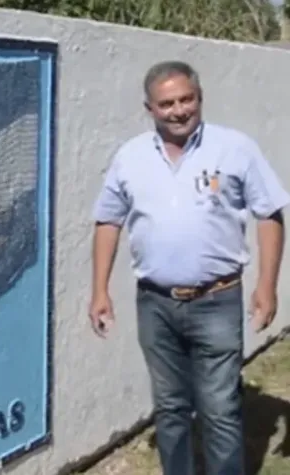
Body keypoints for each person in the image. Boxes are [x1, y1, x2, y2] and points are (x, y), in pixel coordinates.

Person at [89, 60, 289, 475]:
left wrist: (267, 286)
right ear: (150, 108)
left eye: (187, 100)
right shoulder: (130, 157)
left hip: (217, 300)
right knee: (171, 408)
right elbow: (108, 220)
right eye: (167, 104)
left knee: (219, 408)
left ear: (200, 99)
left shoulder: (234, 148)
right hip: (155, 305)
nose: (179, 110)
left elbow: (269, 213)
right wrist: (99, 290)